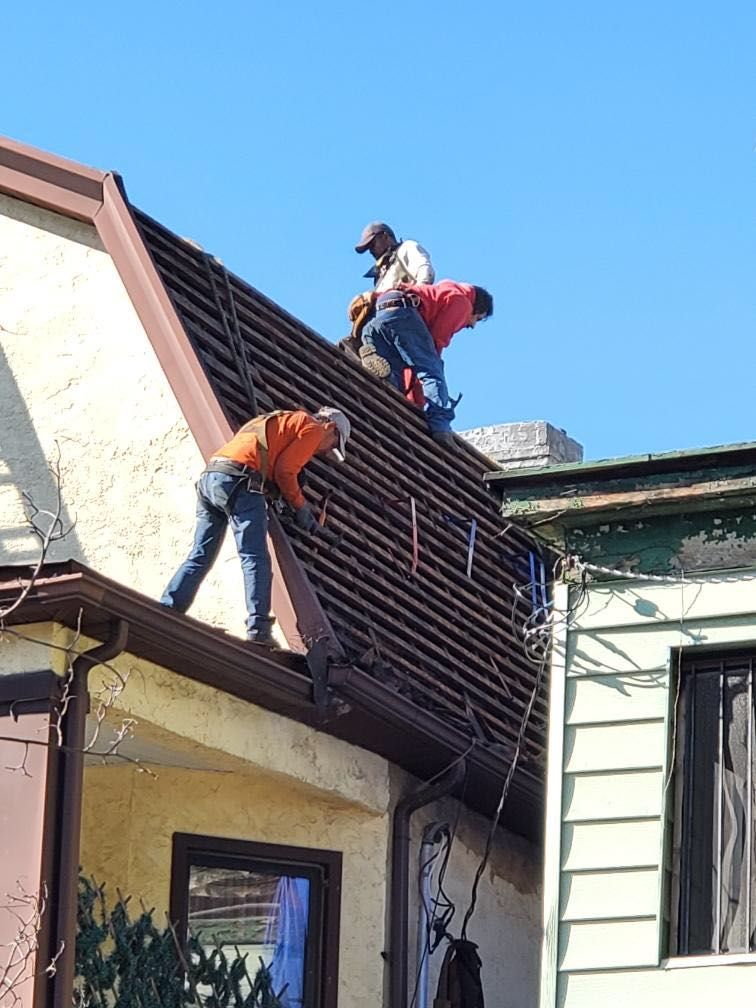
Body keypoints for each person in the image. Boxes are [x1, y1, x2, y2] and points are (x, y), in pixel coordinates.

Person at [160, 407, 350, 644]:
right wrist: (301, 507)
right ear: (330, 427)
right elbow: (285, 470)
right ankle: (259, 628)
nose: (324, 452)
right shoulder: (311, 427)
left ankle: (169, 607)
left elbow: (266, 458)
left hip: (213, 477)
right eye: (332, 445)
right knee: (255, 557)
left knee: (200, 554)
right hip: (240, 482)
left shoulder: (278, 419)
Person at [358, 281, 493, 444]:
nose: (472, 324)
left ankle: (386, 386)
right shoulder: (463, 302)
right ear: (477, 307)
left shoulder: (443, 291)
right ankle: (441, 426)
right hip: (403, 313)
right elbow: (436, 342)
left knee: (394, 376)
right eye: (477, 318)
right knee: (433, 371)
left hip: (381, 312)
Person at [355, 221, 435, 292]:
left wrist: (419, 294)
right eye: (369, 248)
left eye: (373, 245)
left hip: (409, 306)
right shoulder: (379, 275)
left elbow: (425, 271)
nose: (371, 251)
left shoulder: (406, 248)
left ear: (385, 236)